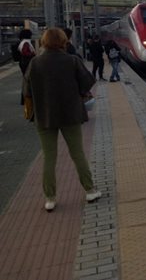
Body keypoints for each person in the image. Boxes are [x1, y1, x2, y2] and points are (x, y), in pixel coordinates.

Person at [23, 27, 101, 212]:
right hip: (70, 114)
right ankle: (90, 190)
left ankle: (50, 198)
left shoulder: (35, 63)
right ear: (63, 41)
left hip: (45, 116)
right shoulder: (72, 60)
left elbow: (26, 91)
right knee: (78, 154)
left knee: (49, 157)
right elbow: (87, 83)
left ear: (44, 42)